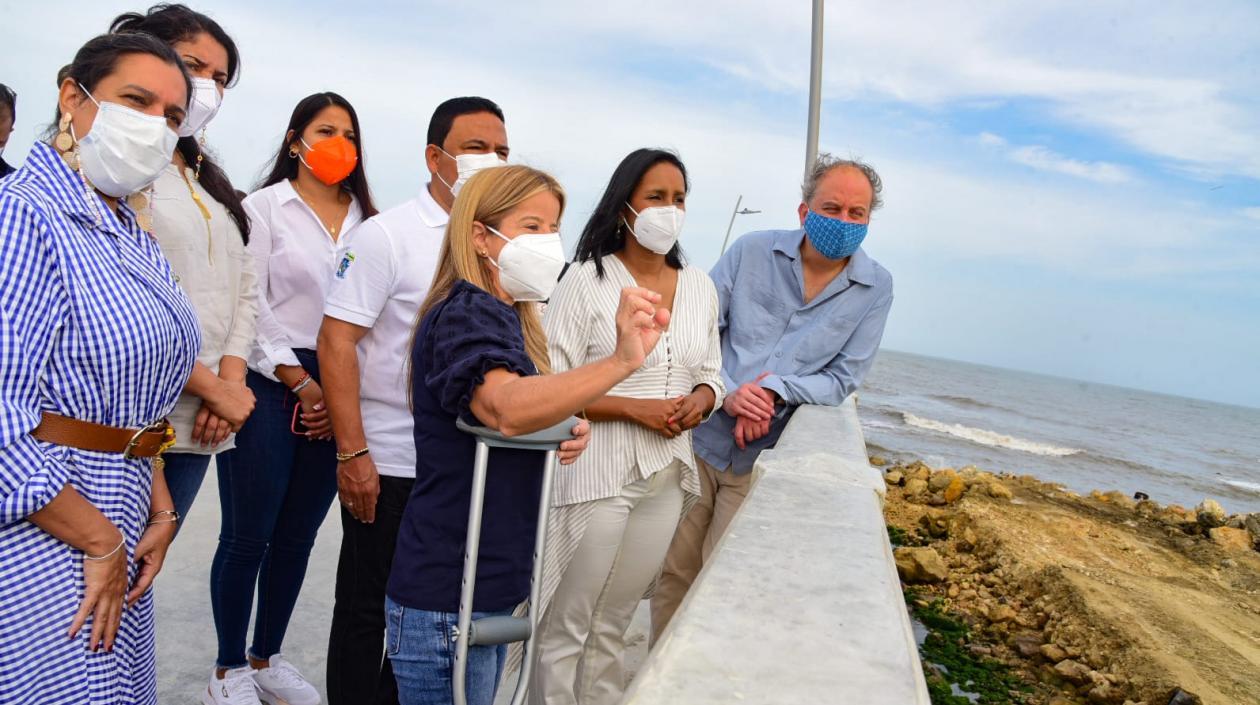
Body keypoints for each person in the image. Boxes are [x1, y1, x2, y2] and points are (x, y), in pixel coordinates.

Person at [384, 165, 670, 705]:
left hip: (486, 588)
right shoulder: (466, 313)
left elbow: (520, 413)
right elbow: (504, 410)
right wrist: (620, 361)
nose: (548, 244)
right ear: (479, 235)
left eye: (553, 228)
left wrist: (562, 424)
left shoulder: (509, 320)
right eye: (531, 226)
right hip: (449, 594)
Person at [0, 32, 199, 705]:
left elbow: (134, 393)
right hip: (43, 528)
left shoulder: (128, 234)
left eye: (170, 116)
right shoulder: (23, 217)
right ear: (72, 98)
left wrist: (160, 500)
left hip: (120, 522)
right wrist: (98, 540)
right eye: (135, 101)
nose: (153, 127)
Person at [651, 153, 894, 638]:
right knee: (674, 573)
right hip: (697, 440)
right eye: (832, 208)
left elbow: (844, 377)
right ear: (804, 211)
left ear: (869, 220)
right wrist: (730, 392)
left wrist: (773, 391)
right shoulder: (751, 251)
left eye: (856, 213)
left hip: (764, 458)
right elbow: (699, 328)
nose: (843, 220)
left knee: (723, 587)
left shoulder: (875, 288)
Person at [318, 96, 508, 705]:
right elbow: (336, 341)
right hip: (391, 462)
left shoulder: (496, 245)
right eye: (477, 147)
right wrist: (354, 455)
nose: (493, 159)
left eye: (502, 150)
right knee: (366, 611)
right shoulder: (388, 236)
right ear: (436, 156)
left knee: (427, 621)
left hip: (460, 468)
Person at [531, 149, 724, 705]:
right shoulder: (584, 280)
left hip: (665, 475)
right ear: (624, 208)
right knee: (568, 621)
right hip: (594, 470)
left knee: (613, 622)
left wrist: (703, 399)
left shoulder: (700, 286)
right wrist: (634, 408)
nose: (670, 209)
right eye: (656, 197)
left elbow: (712, 370)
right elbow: (551, 385)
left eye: (679, 199)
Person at [204, 92, 378, 705]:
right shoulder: (263, 207)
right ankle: (228, 671)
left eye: (349, 134)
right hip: (268, 378)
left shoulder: (368, 218)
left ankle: (266, 656)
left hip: (341, 384)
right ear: (294, 139)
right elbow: (248, 301)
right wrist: (299, 381)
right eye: (325, 129)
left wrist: (336, 389)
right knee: (249, 533)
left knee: (299, 534)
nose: (339, 143)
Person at [109, 4, 257, 535]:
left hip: (204, 417)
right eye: (195, 66)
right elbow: (121, 292)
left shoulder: (204, 176)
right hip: (134, 407)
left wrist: (229, 382)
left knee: (144, 570)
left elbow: (244, 286)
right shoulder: (118, 166)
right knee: (97, 570)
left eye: (220, 78)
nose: (208, 87)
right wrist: (212, 387)